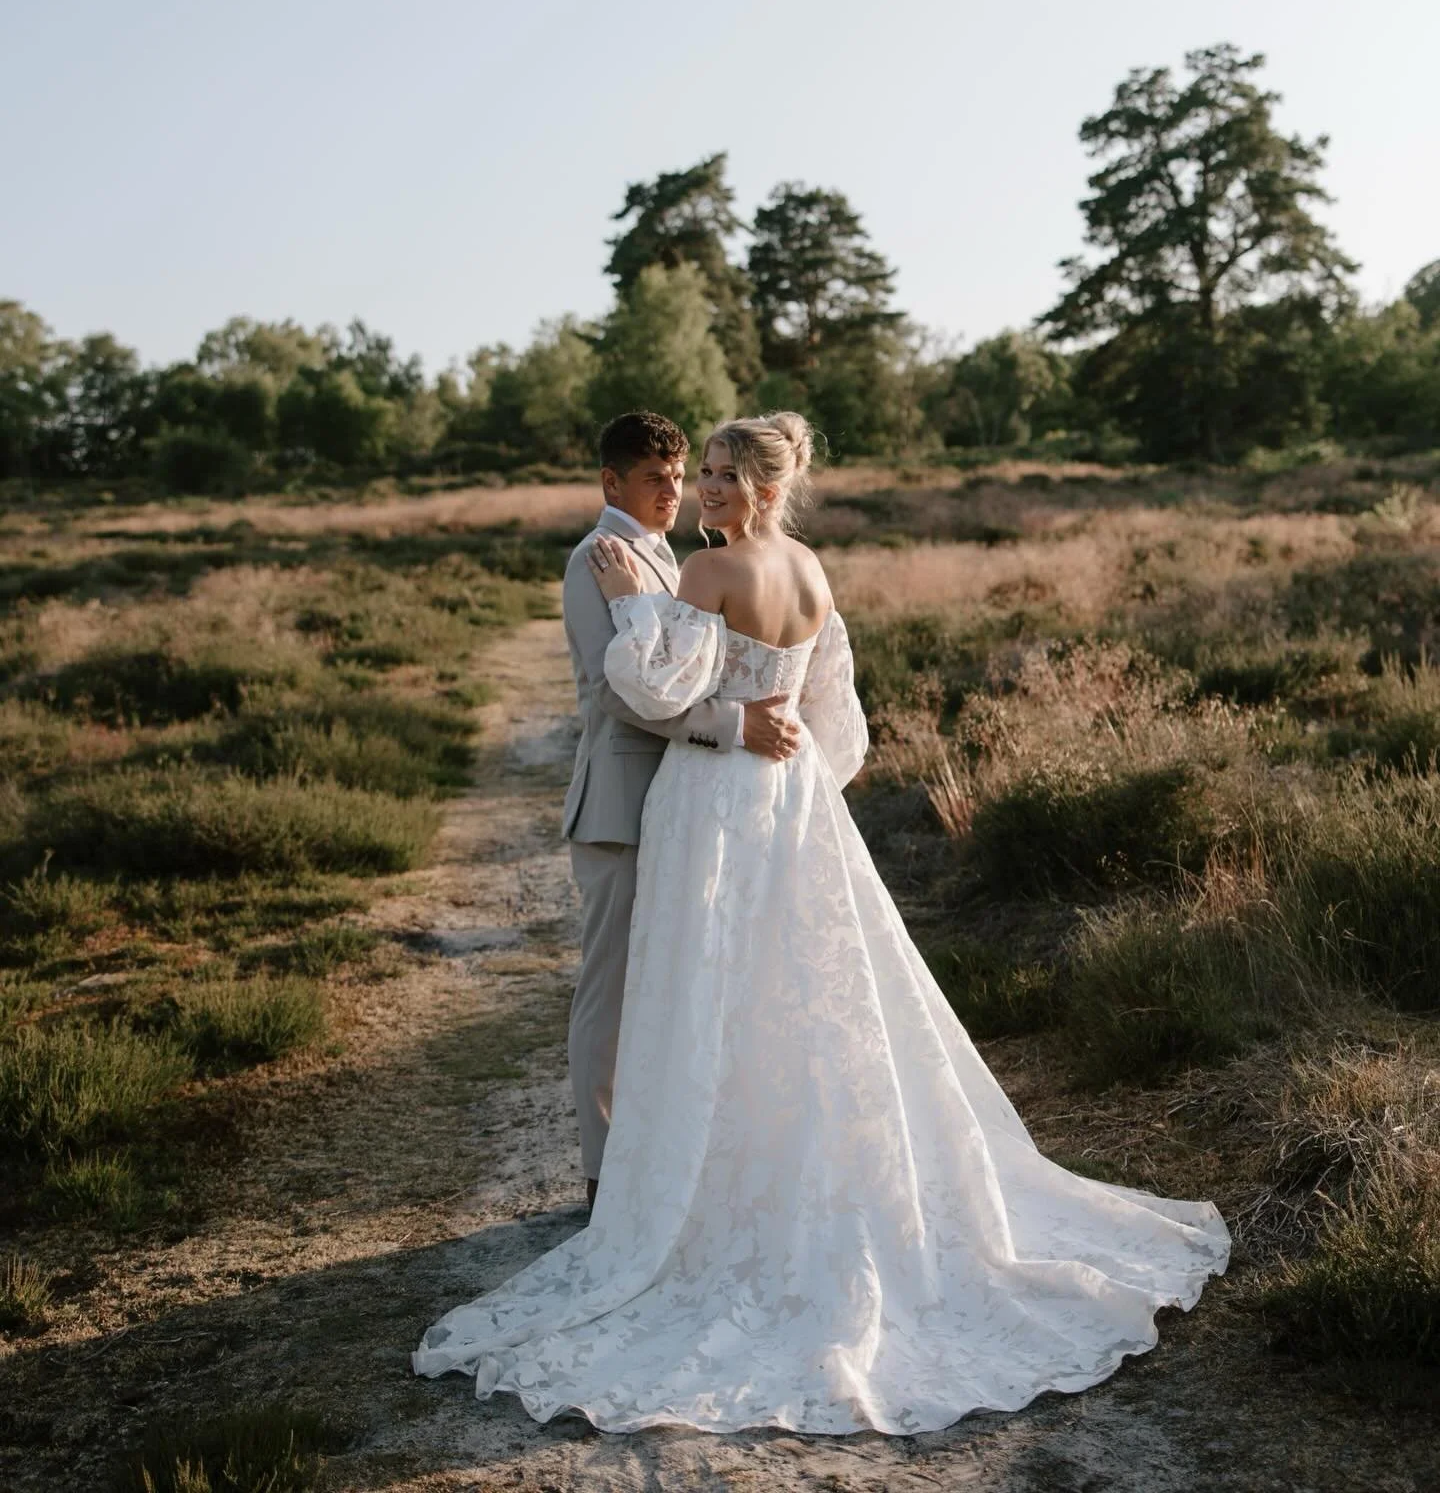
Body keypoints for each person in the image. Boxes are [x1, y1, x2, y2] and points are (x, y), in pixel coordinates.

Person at [414, 411, 1230, 1435]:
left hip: (715, 803)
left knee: (709, 988)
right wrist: (791, 763)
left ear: (761, 484)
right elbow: (836, 719)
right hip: (792, 807)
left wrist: (637, 609)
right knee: (788, 988)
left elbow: (649, 682)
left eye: (717, 475)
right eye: (694, 474)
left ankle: (690, 1183)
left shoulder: (702, 574)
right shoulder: (810, 567)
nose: (702, 490)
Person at [556, 410, 802, 1215]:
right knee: (614, 992)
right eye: (656, 479)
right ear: (611, 483)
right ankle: (601, 1177)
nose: (675, 490)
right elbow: (622, 696)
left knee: (680, 990)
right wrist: (738, 725)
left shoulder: (689, 558)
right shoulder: (599, 559)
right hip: (624, 804)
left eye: (680, 475)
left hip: (695, 804)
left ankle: (667, 1159)